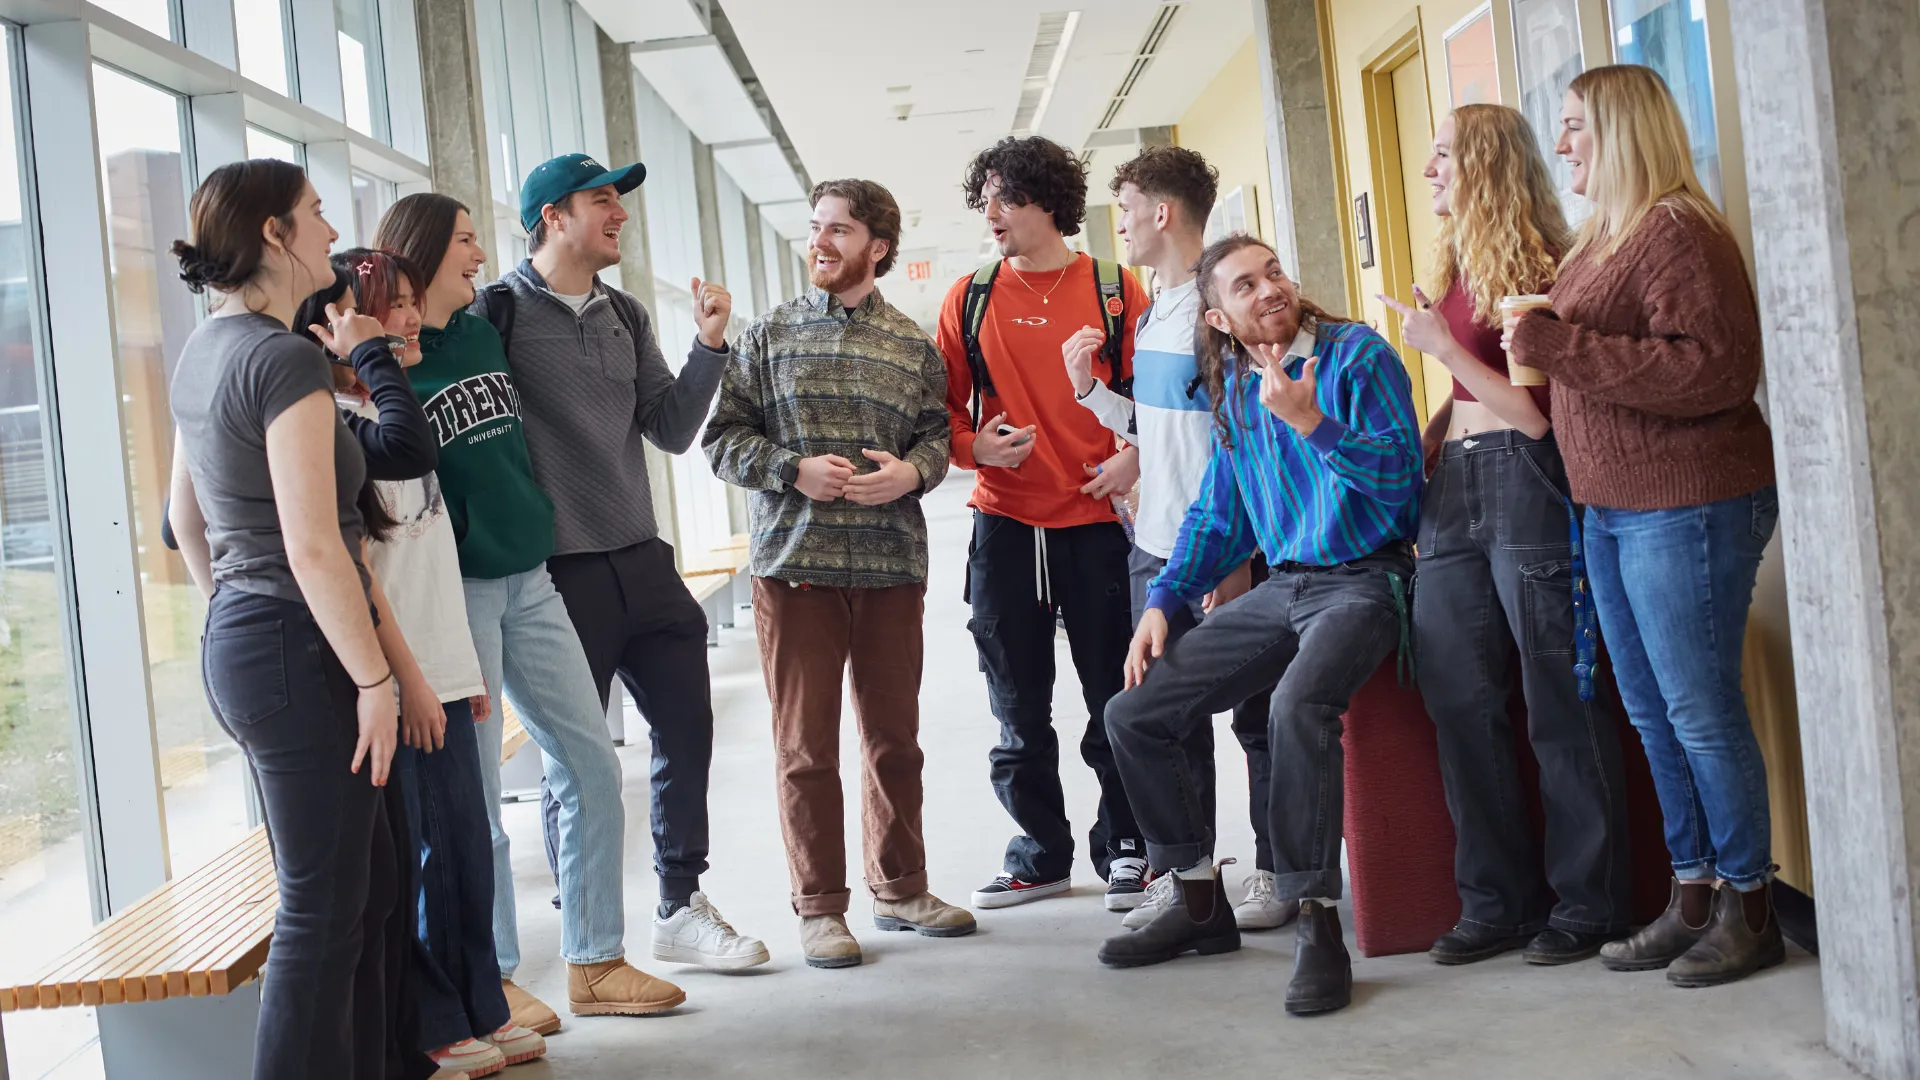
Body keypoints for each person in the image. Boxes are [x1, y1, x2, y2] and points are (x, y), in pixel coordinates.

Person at [375, 193, 687, 1030]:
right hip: (458, 592)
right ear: (423, 251)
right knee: (473, 799)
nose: (482, 254)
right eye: (468, 241)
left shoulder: (485, 328)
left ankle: (595, 961)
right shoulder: (387, 359)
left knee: (589, 763)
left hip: (533, 574)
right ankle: (495, 977)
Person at [1097, 235, 1422, 1019]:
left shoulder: (1356, 357)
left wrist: (1315, 426)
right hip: (1287, 588)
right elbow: (1219, 514)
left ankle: (1316, 921)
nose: (1270, 288)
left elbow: (1401, 490)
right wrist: (1163, 604)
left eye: (1275, 271)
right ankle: (1198, 897)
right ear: (1219, 315)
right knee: (1134, 712)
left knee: (1293, 708)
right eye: (1247, 284)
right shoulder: (1239, 390)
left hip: (1367, 578)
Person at [1506, 64, 1780, 987]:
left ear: (1622, 131)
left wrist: (1553, 343)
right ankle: (1692, 893)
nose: (1562, 144)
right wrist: (1548, 328)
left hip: (1687, 502)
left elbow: (1712, 373)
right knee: (1653, 713)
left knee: (1699, 713)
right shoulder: (1600, 241)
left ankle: (1751, 907)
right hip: (1614, 507)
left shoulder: (1680, 234)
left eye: (1576, 125)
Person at [474, 153, 765, 970]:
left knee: (687, 731)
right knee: (577, 763)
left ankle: (681, 904)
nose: (621, 214)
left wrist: (710, 345)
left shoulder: (626, 314)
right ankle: (586, 928)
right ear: (550, 218)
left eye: (621, 200)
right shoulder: (494, 313)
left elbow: (670, 429)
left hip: (642, 558)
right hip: (555, 576)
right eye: (602, 200)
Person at [1375, 103, 1631, 967]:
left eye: (1442, 154)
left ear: (1485, 165)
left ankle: (1589, 904)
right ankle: (1496, 902)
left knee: (1559, 696)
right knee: (1458, 698)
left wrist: (1442, 350)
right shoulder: (1454, 262)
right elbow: (1477, 396)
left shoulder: (1543, 266)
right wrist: (1427, 442)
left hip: (1527, 484)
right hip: (1453, 490)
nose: (1428, 170)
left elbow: (1530, 415)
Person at [164, 158, 405, 1079]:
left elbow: (187, 521)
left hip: (250, 638)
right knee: (319, 910)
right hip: (299, 649)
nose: (332, 231)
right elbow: (314, 546)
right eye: (316, 213)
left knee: (367, 889)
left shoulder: (206, 348)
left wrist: (237, 609)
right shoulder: (283, 357)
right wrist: (375, 679)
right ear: (275, 233)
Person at [703, 178, 974, 968]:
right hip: (796, 570)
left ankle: (901, 886)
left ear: (877, 247)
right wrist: (792, 470)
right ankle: (820, 908)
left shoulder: (912, 348)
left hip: (892, 566)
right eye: (815, 228)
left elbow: (937, 438)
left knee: (896, 741)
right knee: (805, 748)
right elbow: (721, 440)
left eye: (839, 230)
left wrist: (913, 476)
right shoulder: (766, 335)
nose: (820, 242)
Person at [321, 248, 549, 1076]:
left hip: (445, 675)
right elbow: (365, 584)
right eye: (395, 307)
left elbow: (434, 566)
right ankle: (434, 1021)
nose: (412, 321)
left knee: (465, 847)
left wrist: (460, 675)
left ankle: (479, 1006)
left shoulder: (394, 418)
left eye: (417, 303)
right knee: (423, 858)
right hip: (398, 682)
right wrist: (412, 681)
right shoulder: (343, 433)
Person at [936, 136, 1152, 912]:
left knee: (1114, 698)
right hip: (1004, 523)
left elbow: (1157, 400)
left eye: (1005, 198)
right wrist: (974, 447)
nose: (990, 214)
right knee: (1017, 708)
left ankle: (1127, 847)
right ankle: (1040, 855)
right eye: (984, 199)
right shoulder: (969, 296)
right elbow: (944, 420)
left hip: (1097, 520)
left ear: (1047, 200)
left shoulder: (1115, 288)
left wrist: (1132, 457)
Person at [1081, 146, 1289, 933]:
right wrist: (1106, 418)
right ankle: (1188, 874)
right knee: (1160, 715)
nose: (1122, 224)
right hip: (1157, 546)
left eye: (1128, 208)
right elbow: (1167, 424)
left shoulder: (1222, 303)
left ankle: (1277, 871)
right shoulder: (1153, 308)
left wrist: (1234, 555)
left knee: (1259, 718)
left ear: (1161, 212)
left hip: (1226, 550)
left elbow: (1243, 437)